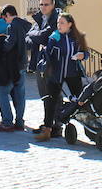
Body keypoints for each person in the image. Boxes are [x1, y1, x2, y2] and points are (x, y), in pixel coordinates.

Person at [36, 12, 89, 142]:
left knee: (81, 99)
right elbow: (48, 55)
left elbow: (86, 53)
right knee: (50, 102)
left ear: (70, 24)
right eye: (58, 23)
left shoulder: (77, 37)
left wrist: (82, 55)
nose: (59, 25)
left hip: (73, 73)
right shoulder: (54, 38)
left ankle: (90, 125)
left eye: (62, 23)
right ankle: (47, 130)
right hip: (56, 74)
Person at [26, 0, 61, 135]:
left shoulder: (57, 20)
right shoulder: (40, 18)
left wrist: (36, 35)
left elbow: (43, 36)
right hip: (40, 61)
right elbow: (28, 38)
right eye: (41, 4)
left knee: (54, 94)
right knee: (44, 94)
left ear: (52, 5)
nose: (43, 7)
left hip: (53, 62)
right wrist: (37, 36)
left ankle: (57, 125)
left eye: (46, 4)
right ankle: (48, 123)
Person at [0, 5, 31, 131]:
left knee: (2, 92)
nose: (5, 21)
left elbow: (9, 45)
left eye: (5, 18)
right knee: (20, 94)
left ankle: (7, 121)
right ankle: (19, 121)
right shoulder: (26, 25)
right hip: (23, 63)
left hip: (13, 65)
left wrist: (1, 42)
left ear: (8, 15)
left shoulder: (12, 26)